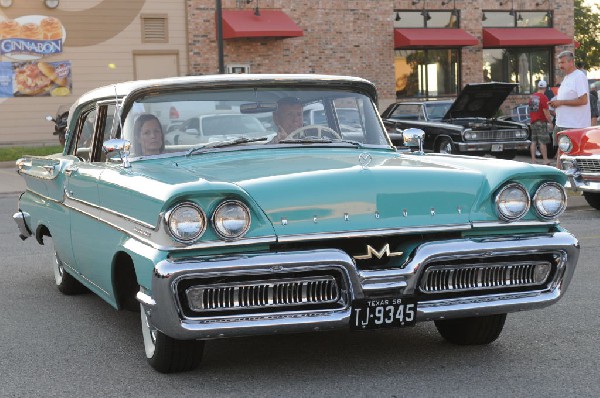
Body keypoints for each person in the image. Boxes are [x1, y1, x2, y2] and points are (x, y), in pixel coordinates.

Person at [548, 51, 591, 167]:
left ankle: (570, 181)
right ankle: (559, 178)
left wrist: (561, 102)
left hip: (574, 125)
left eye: (562, 62)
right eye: (559, 63)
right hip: (562, 122)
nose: (560, 66)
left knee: (572, 157)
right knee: (561, 154)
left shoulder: (579, 77)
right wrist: (556, 103)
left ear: (571, 62)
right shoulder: (567, 77)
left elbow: (583, 100)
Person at [529, 80, 553, 164]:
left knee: (534, 141)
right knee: (543, 141)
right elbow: (546, 111)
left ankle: (533, 159)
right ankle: (545, 159)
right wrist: (550, 122)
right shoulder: (543, 97)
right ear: (545, 88)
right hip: (541, 122)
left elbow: (532, 110)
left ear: (538, 87)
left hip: (533, 122)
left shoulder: (532, 97)